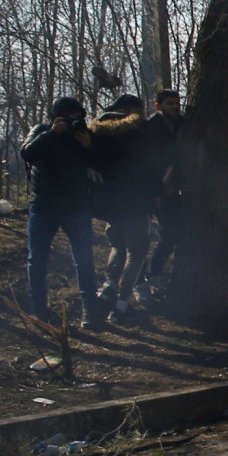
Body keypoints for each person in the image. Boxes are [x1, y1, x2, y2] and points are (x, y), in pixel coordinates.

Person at [20, 97, 101, 329]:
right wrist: (52, 134)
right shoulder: (42, 131)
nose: (76, 120)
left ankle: (91, 313)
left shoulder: (83, 135)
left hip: (76, 206)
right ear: (57, 116)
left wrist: (89, 146)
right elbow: (26, 154)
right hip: (43, 205)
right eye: (70, 115)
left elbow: (103, 164)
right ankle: (39, 311)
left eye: (79, 115)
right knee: (37, 260)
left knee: (84, 260)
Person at [89, 93, 158, 323]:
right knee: (136, 253)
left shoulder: (99, 131)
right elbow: (151, 166)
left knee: (117, 245)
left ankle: (108, 286)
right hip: (136, 201)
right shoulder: (141, 131)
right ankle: (120, 305)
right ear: (135, 111)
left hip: (110, 203)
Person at [141, 89, 183, 296]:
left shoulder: (183, 125)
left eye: (176, 103)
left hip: (176, 189)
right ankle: (147, 278)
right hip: (153, 190)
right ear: (157, 106)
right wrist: (158, 188)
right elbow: (146, 163)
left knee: (172, 233)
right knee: (142, 238)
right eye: (169, 104)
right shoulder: (149, 128)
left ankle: (155, 273)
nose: (174, 107)